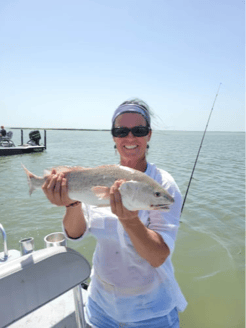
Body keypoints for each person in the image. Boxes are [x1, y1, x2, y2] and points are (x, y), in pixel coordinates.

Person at [42, 99, 187, 328]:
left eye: (138, 130)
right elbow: (75, 233)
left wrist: (130, 221)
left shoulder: (163, 186)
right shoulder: (100, 176)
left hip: (151, 313)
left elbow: (158, 256)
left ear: (149, 135)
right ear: (113, 136)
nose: (130, 138)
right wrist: (71, 204)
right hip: (100, 309)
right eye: (121, 131)